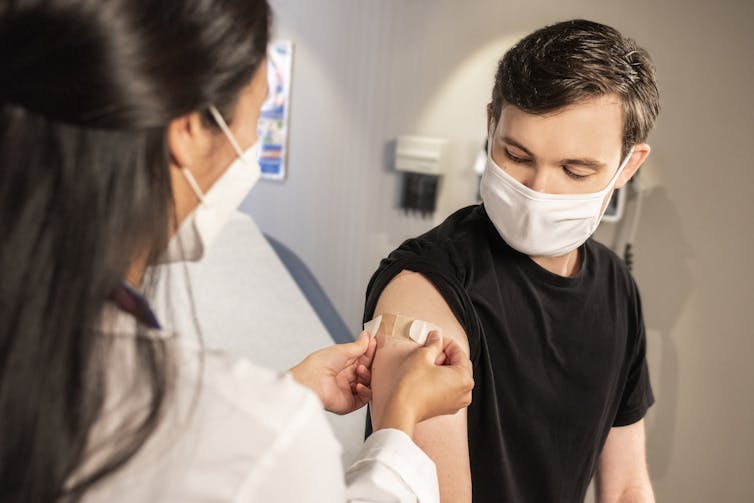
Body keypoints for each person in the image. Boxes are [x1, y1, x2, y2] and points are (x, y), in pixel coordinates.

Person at [0, 1, 474, 502]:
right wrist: (397, 424)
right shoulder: (259, 435)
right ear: (186, 129)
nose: (252, 142)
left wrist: (289, 390)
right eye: (263, 112)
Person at [364, 19, 660, 502]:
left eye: (574, 169)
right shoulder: (425, 287)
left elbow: (627, 484)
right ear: (491, 125)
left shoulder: (616, 288)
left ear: (628, 165)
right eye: (516, 154)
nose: (536, 190)